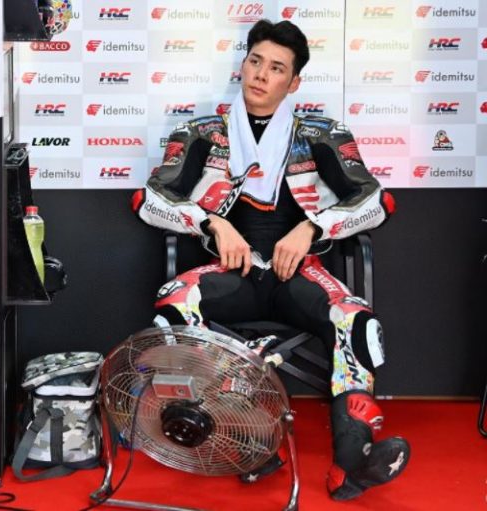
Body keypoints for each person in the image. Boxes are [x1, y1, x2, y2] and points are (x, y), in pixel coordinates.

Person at [131, 19, 409, 501]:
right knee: (173, 307)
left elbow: (377, 202)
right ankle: (245, 436)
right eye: (255, 61)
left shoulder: (322, 133)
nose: (261, 74)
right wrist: (211, 224)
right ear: (242, 66)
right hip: (230, 274)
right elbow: (148, 200)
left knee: (357, 322)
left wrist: (313, 227)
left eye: (276, 68)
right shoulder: (200, 132)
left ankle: (352, 460)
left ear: (294, 82)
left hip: (300, 275)